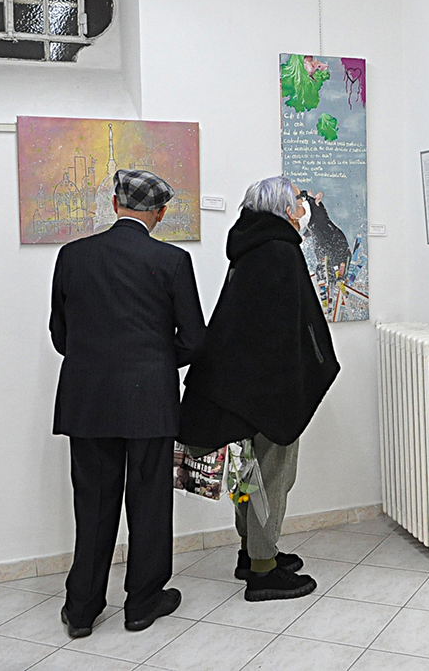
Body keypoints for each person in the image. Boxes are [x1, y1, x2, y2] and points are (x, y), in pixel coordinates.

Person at [49, 169, 205, 637]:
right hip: (150, 402)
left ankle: (82, 609)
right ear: (160, 213)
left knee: (93, 505)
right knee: (150, 505)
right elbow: (194, 340)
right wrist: (154, 362)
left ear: (115, 204)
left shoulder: (73, 255)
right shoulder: (172, 260)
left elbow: (60, 335)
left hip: (88, 400)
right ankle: (142, 602)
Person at [179, 175, 339, 601]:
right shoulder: (280, 251)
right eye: (298, 202)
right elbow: (287, 333)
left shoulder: (248, 248)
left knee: (247, 476)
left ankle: (251, 553)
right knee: (272, 477)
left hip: (235, 389)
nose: (303, 210)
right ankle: (264, 571)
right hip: (269, 394)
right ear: (284, 209)